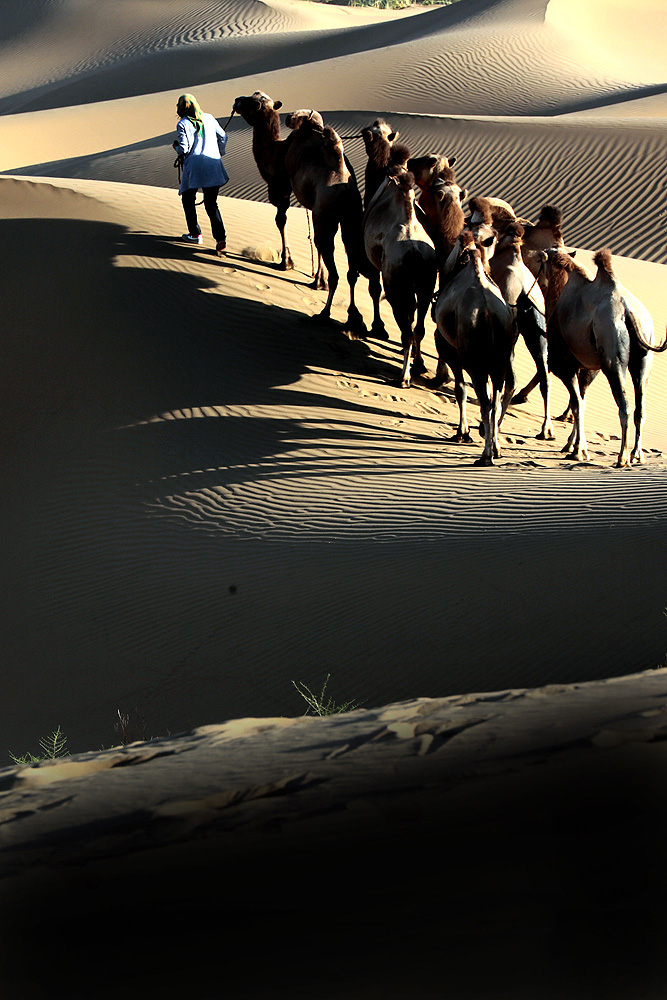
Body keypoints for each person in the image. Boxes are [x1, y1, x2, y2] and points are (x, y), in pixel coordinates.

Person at [172, 93, 229, 255]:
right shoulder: (209, 118)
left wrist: (176, 148)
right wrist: (219, 152)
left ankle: (195, 234)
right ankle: (220, 239)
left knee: (188, 200)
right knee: (211, 204)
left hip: (194, 168)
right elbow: (223, 136)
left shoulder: (183, 123)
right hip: (213, 165)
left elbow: (184, 148)